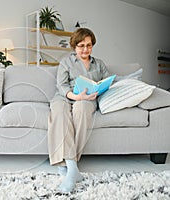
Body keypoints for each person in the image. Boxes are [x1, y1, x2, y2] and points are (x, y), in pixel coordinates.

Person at [48, 28, 110, 193]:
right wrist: (76, 97)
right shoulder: (66, 62)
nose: (85, 49)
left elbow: (106, 84)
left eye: (89, 45)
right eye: (81, 45)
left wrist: (98, 91)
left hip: (88, 100)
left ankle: (68, 165)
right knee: (60, 111)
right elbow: (61, 86)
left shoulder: (100, 64)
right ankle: (72, 167)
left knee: (82, 109)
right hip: (65, 96)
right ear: (74, 46)